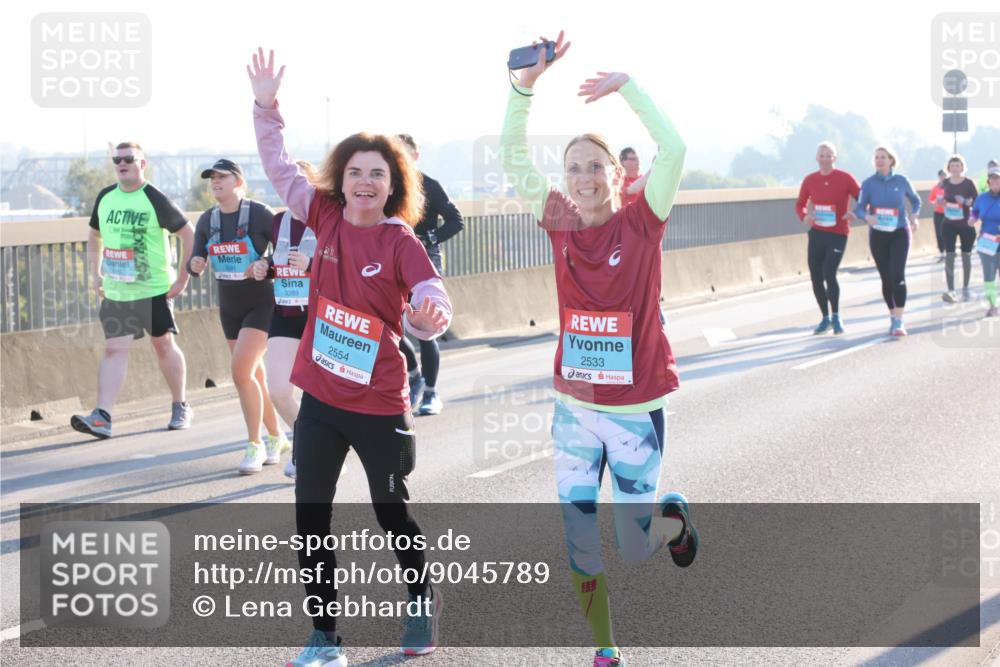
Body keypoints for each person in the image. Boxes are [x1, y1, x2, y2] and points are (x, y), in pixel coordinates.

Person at [248, 47, 452, 665]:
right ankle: (325, 635)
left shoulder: (399, 240)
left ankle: (421, 599)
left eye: (378, 174)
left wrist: (430, 314)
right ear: (341, 180)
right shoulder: (325, 216)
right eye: (357, 172)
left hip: (379, 404)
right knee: (310, 515)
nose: (366, 182)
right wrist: (265, 107)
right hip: (322, 401)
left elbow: (431, 291)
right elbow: (278, 167)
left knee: (391, 512)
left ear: (393, 186)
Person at [501, 31, 697, 667]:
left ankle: (672, 522)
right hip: (575, 409)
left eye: (595, 167)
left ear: (618, 174)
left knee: (634, 548)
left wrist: (628, 89)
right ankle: (606, 647)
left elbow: (676, 148)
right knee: (579, 536)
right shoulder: (558, 221)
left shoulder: (643, 220)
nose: (583, 178)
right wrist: (524, 88)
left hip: (634, 411)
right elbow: (511, 156)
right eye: (573, 168)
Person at [70, 142, 194, 439]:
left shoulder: (154, 198)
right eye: (117, 160)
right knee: (114, 349)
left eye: (128, 159)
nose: (122, 163)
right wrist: (95, 274)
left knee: (162, 344)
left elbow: (188, 233)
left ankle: (181, 405)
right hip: (117, 290)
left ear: (142, 164)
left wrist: (183, 278)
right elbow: (94, 235)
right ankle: (102, 417)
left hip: (153, 289)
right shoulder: (106, 197)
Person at [187, 159, 290, 475]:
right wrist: (195, 264)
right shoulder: (208, 219)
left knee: (240, 371)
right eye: (212, 178)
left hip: (261, 303)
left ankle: (254, 444)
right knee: (252, 375)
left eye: (223, 177)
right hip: (229, 306)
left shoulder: (259, 214)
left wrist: (265, 264)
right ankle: (277, 437)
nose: (216, 182)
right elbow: (195, 256)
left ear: (239, 182)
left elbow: (284, 250)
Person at [250, 160, 319, 480]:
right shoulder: (278, 221)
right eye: (287, 185)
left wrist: (312, 265)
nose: (292, 191)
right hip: (284, 313)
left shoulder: (330, 218)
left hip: (319, 318)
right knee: (278, 390)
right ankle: (310, 447)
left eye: (299, 185)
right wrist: (265, 267)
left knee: (318, 397)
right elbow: (277, 259)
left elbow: (346, 262)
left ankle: (315, 455)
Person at [395, 133, 465, 415]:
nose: (399, 157)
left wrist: (428, 239)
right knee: (388, 325)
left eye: (405, 152)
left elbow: (456, 221)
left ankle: (431, 394)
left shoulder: (429, 185)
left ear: (416, 155)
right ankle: (414, 374)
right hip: (394, 261)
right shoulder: (388, 185)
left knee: (425, 329)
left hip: (425, 261)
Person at [794, 141, 861, 335]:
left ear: (835, 158)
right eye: (821, 155)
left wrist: (855, 213)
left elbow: (862, 198)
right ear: (817, 158)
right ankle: (825, 318)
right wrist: (804, 216)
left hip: (838, 233)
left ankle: (836, 316)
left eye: (828, 155)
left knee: (829, 273)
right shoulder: (810, 180)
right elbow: (800, 204)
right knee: (816, 277)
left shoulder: (845, 178)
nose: (824, 159)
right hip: (817, 233)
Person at [854, 146, 921, 337]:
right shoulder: (868, 184)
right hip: (878, 234)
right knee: (886, 277)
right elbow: (859, 208)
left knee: (897, 274)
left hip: (899, 231)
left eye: (883, 157)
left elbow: (916, 201)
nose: (879, 160)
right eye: (876, 157)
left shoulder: (902, 180)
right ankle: (892, 315)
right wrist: (867, 216)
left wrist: (914, 216)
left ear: (891, 160)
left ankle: (899, 320)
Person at [940, 155, 981, 303]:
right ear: (948, 168)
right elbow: (936, 198)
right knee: (950, 256)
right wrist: (941, 202)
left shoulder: (968, 183)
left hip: (965, 224)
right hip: (948, 224)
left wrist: (965, 202)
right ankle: (951, 291)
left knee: (966, 256)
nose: (955, 168)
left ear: (962, 167)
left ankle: (965, 288)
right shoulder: (944, 183)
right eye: (952, 166)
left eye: (958, 165)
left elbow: (976, 202)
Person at [970, 166, 1000, 318]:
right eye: (992, 179)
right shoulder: (982, 198)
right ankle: (993, 306)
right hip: (987, 240)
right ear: (988, 182)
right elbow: (975, 211)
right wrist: (972, 218)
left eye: (998, 179)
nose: (995, 182)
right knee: (989, 275)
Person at [929, 169, 947, 262]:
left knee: (948, 232)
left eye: (944, 175)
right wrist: (935, 202)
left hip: (948, 212)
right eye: (941, 175)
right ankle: (942, 253)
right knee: (939, 232)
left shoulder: (950, 186)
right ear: (939, 177)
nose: (943, 177)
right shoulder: (935, 188)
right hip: (938, 213)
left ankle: (949, 252)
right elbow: (931, 199)